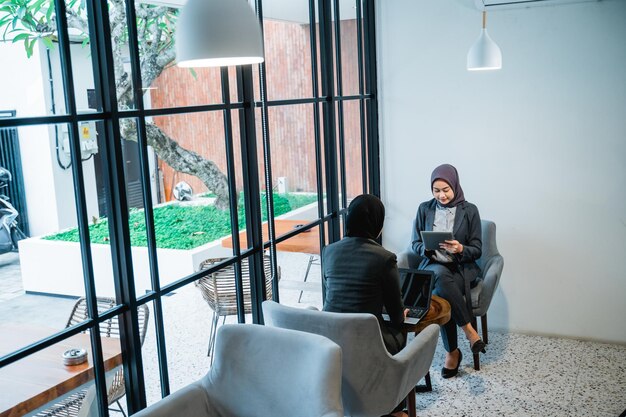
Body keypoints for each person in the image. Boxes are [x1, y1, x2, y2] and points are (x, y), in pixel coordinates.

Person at [322, 194, 408, 417]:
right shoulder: (385, 258)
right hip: (368, 342)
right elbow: (397, 317)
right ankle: (395, 408)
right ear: (378, 225)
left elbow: (333, 296)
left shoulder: (328, 251)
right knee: (400, 332)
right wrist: (402, 313)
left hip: (329, 337)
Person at [410, 163, 486, 379]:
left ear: (455, 186)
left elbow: (478, 249)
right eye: (436, 191)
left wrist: (461, 248)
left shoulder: (470, 211)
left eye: (446, 190)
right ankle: (470, 334)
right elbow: (414, 243)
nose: (441, 195)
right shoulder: (424, 209)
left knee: (442, 283)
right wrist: (424, 248)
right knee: (441, 277)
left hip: (462, 267)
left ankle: (452, 352)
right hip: (434, 264)